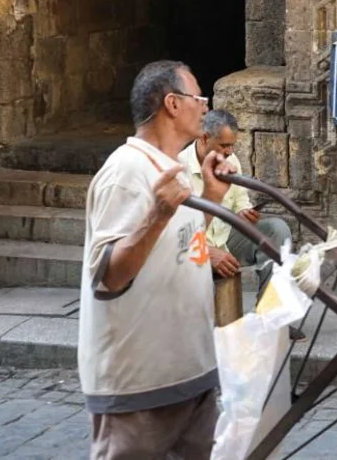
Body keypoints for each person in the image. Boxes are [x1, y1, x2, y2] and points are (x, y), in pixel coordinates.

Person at [78, 60, 235, 460]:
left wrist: (212, 199)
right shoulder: (125, 173)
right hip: (140, 386)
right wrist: (157, 214)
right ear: (172, 104)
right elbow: (109, 275)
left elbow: (177, 243)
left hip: (189, 373)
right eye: (198, 96)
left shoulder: (173, 168)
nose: (205, 106)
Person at [180, 109, 294, 286]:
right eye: (224, 145)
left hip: (225, 239)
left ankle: (270, 309)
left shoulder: (231, 161)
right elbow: (175, 234)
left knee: (277, 230)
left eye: (232, 145)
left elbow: (241, 201)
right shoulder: (179, 168)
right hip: (190, 249)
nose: (230, 151)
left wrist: (244, 213)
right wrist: (205, 250)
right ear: (204, 138)